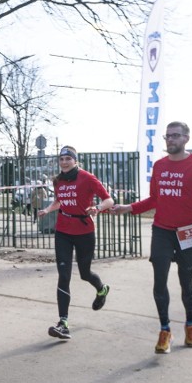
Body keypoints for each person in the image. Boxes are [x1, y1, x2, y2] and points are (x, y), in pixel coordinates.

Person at [111, 121, 192, 353]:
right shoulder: (160, 166)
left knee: (186, 281)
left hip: (188, 231)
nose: (170, 140)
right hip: (162, 230)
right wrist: (129, 207)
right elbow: (154, 199)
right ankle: (165, 330)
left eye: (175, 136)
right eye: (167, 136)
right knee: (159, 281)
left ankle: (190, 324)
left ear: (186, 139)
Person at [37, 146, 114, 340]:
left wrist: (97, 207)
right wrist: (47, 210)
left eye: (67, 158)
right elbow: (59, 201)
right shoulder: (58, 181)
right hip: (63, 231)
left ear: (75, 161)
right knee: (64, 275)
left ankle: (101, 289)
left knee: (84, 273)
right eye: (61, 158)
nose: (64, 162)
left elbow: (109, 200)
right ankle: (63, 323)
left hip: (84, 230)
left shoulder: (87, 178)